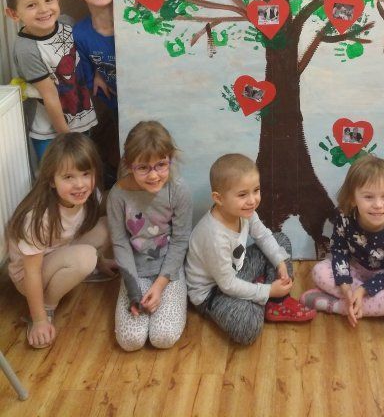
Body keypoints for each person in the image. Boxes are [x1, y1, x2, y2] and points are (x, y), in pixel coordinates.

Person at [185, 153, 315, 346]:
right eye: (242, 194)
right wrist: (268, 290)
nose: (252, 200)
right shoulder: (214, 236)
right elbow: (227, 285)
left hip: (237, 271)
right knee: (248, 329)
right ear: (219, 198)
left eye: (256, 190)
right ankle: (266, 295)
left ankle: (275, 302)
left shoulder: (245, 211)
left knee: (280, 241)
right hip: (213, 293)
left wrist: (279, 263)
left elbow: (263, 236)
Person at [7, 133, 113, 349]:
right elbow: (31, 271)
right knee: (85, 257)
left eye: (86, 174)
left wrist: (101, 261)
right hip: (28, 275)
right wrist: (39, 320)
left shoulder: (90, 197)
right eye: (68, 177)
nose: (80, 184)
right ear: (51, 180)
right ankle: (47, 306)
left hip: (58, 251)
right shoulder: (39, 217)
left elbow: (80, 231)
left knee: (107, 225)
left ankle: (82, 270)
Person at [300, 155, 384, 333]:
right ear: (353, 199)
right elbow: (339, 250)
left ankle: (336, 306)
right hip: (354, 270)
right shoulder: (344, 217)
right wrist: (345, 286)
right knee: (319, 271)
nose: (378, 205)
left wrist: (363, 290)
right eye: (368, 197)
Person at [107, 121, 192, 351]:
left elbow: (180, 240)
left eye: (161, 165)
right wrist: (133, 291)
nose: (154, 175)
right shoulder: (117, 196)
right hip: (134, 272)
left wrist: (161, 284)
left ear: (170, 159)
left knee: (162, 337)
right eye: (143, 168)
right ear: (129, 165)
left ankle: (176, 296)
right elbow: (120, 243)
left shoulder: (178, 189)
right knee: (130, 341)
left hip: (169, 269)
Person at [2, 0, 97, 160]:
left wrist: (98, 76)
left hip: (80, 117)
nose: (44, 9)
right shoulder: (27, 49)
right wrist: (66, 137)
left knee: (83, 167)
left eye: (48, 0)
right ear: (13, 14)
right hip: (51, 131)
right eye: (31, 5)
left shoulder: (67, 23)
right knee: (56, 172)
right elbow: (50, 95)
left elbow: (85, 57)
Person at [73, 0, 119, 187]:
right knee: (118, 139)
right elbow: (85, 72)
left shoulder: (131, 25)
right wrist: (97, 74)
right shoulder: (79, 33)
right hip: (111, 101)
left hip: (142, 97)